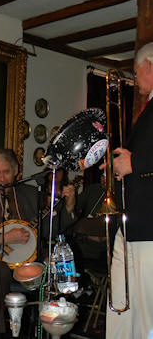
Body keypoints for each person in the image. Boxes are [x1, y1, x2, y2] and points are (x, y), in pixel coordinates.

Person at [0, 149, 76, 338]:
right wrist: (2, 238)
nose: (3, 178)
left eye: (6, 172)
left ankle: (48, 328)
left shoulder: (30, 193)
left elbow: (48, 230)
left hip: (28, 262)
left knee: (52, 264)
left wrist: (68, 207)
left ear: (16, 172)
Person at [103, 42, 153, 339]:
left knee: (146, 309)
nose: (135, 81)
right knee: (121, 303)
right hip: (132, 220)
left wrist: (134, 162)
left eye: (136, 72)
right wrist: (116, 163)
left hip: (149, 224)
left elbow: (143, 160)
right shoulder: (148, 108)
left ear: (150, 64)